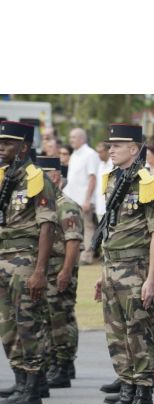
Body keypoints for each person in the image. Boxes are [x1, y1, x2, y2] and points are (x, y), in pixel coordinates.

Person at [91, 124, 154, 404]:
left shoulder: (147, 182)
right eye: (110, 144)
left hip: (135, 269)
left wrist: (152, 278)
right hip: (112, 268)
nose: (111, 149)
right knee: (117, 335)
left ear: (134, 149)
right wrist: (102, 271)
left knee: (139, 334)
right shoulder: (112, 180)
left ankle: (143, 398)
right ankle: (126, 392)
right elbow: (111, 229)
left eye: (118, 145)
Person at [0, 121, 57, 404]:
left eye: (8, 143)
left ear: (23, 147)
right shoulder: (3, 176)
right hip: (2, 258)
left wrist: (39, 271)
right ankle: (20, 383)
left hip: (24, 259)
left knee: (28, 325)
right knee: (7, 327)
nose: (1, 147)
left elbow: (47, 227)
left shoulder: (37, 179)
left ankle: (33, 390)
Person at [35, 156, 83, 389]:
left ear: (55, 176)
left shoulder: (66, 205)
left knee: (60, 319)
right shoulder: (45, 203)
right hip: (46, 271)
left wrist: (65, 271)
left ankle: (63, 365)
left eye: (43, 175)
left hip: (60, 270)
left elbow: (73, 243)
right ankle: (53, 361)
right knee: (46, 318)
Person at [65, 128, 99, 265]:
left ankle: (87, 256)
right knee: (74, 228)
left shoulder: (90, 154)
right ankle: (76, 256)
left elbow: (93, 178)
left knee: (87, 227)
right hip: (71, 198)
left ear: (82, 138)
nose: (71, 140)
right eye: (70, 137)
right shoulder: (74, 155)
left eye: (73, 137)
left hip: (84, 199)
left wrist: (87, 200)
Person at [95, 141, 112, 219]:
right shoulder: (100, 165)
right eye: (97, 152)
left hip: (109, 208)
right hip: (99, 206)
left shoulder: (114, 165)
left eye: (101, 152)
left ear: (108, 151)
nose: (98, 155)